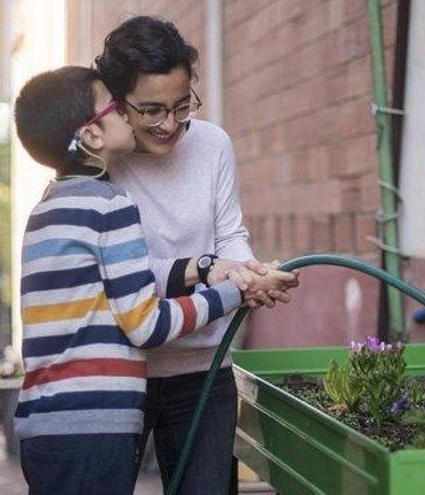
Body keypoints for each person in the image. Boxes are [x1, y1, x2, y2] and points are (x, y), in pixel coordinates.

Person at [12, 66, 284, 495]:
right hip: (97, 423)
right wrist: (233, 291)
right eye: (118, 108)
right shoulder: (110, 204)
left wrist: (213, 267)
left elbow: (123, 279)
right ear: (92, 136)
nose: (128, 116)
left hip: (45, 423)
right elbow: (146, 325)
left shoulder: (47, 208)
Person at [95, 15, 299, 494]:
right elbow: (111, 275)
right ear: (117, 103)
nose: (170, 125)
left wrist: (248, 272)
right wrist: (215, 272)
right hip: (123, 371)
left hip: (203, 372)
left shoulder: (211, 145)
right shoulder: (100, 165)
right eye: (151, 111)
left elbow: (230, 233)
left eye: (181, 106)